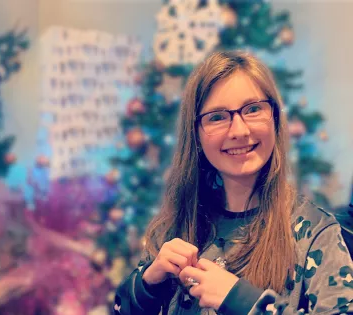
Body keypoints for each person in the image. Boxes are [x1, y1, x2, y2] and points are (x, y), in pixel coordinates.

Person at [113, 51, 353, 315]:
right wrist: (148, 283)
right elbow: (121, 308)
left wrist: (244, 302)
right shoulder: (176, 225)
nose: (239, 131)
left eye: (252, 109)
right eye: (217, 116)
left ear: (274, 118)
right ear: (196, 136)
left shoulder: (316, 234)